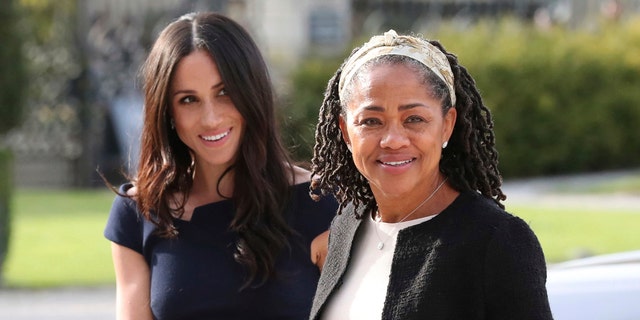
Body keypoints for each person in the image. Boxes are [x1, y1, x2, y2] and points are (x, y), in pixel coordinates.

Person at [103, 12, 337, 320]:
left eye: (224, 92)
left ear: (252, 93)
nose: (211, 118)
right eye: (189, 100)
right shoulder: (140, 211)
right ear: (167, 112)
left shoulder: (319, 204)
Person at [308, 30, 553, 319]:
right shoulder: (347, 225)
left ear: (447, 124)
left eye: (414, 119)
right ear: (346, 131)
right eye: (371, 121)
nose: (393, 140)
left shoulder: (495, 241)